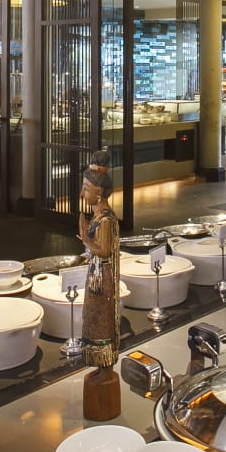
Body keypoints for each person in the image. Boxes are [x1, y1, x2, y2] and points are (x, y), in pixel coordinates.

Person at [77, 151, 121, 372]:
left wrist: (86, 239)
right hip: (96, 275)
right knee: (92, 318)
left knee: (100, 319)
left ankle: (105, 368)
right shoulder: (98, 216)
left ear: (99, 193)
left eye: (86, 189)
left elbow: (104, 251)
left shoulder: (105, 220)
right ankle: (99, 367)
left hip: (102, 279)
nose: (82, 193)